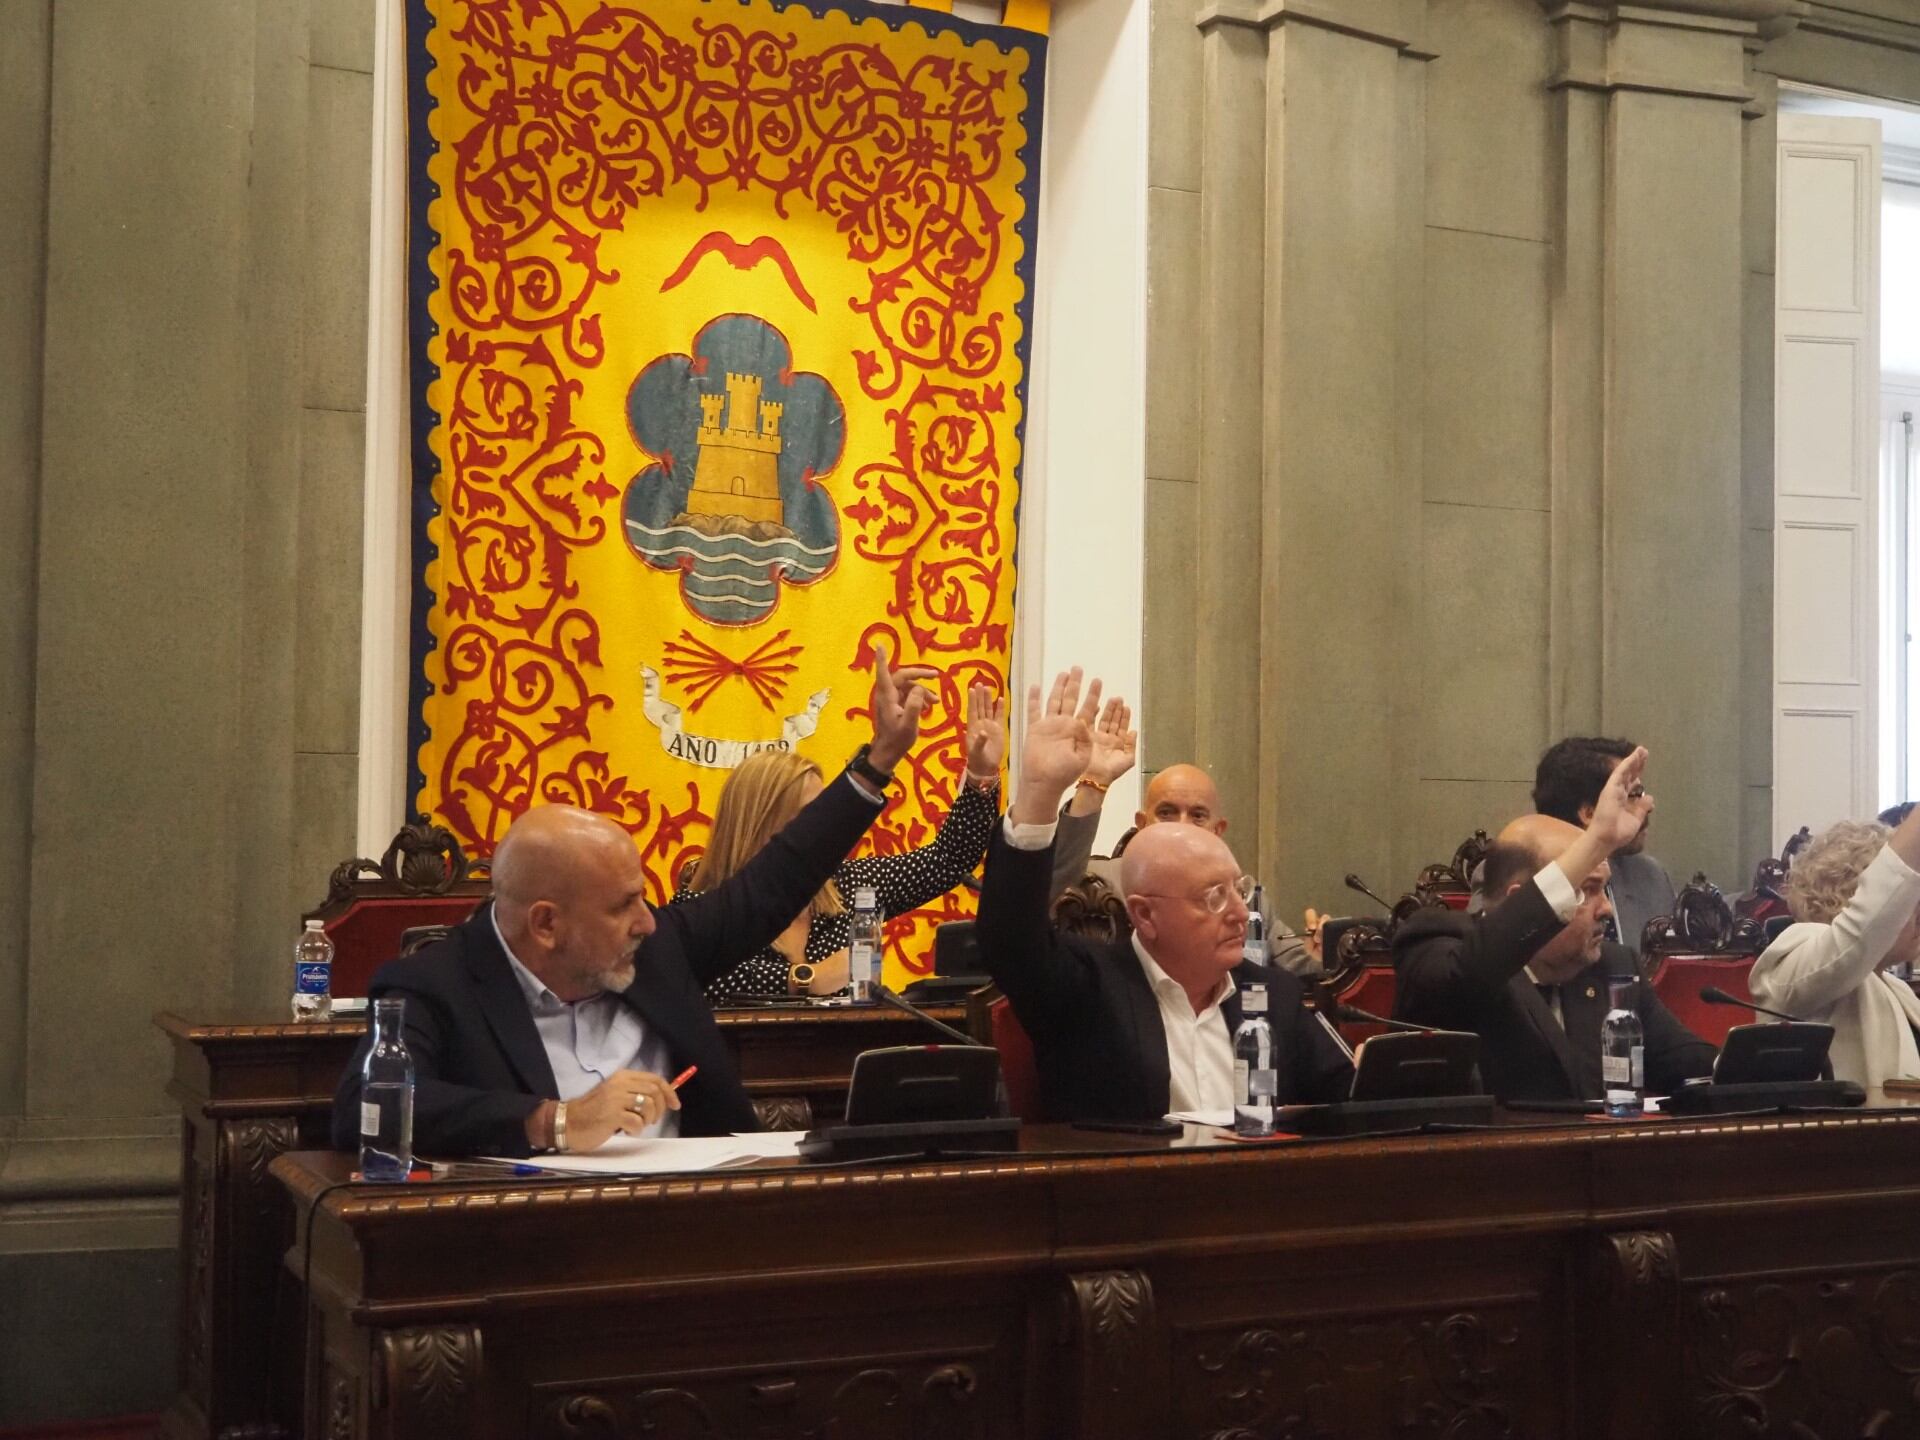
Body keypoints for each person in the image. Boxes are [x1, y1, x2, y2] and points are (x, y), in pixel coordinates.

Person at [330, 645, 936, 1156]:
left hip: (707, 1224)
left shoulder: (660, 949)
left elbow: (780, 876)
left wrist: (879, 760)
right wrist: (555, 1122)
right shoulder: (438, 987)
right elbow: (363, 1108)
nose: (647, 920)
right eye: (622, 906)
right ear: (546, 925)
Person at [973, 668, 1353, 1122]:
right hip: (1134, 1190)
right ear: (1145, 916)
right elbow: (1011, 937)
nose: (1238, 912)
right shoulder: (1087, 990)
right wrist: (1039, 794)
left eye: (1235, 890)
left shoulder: (1273, 996)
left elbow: (1348, 1104)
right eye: (1213, 897)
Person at [1393, 748, 1717, 1102]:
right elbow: (1477, 969)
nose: (1607, 909)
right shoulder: (1435, 948)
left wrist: (1760, 1062)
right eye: (1589, 890)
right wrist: (1597, 841)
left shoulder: (1613, 967)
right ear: (1522, 900)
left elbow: (1687, 1062)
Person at [678, 684, 1006, 1001]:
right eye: (811, 815)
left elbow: (948, 860)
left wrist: (981, 775)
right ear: (759, 821)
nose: (826, 827)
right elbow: (691, 975)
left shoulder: (851, 886)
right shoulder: (701, 903)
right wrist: (808, 977)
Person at [1053, 755, 1321, 974]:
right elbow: (1050, 882)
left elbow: (1304, 971)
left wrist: (1324, 949)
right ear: (1142, 824)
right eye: (1166, 813)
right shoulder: (1099, 884)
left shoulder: (1247, 901)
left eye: (1197, 815)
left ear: (1218, 830)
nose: (1182, 826)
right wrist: (1093, 786)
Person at [1748, 807, 1920, 1091]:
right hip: (1845, 1135)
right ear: (1854, 900)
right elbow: (1859, 934)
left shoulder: (1897, 989)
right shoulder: (1792, 960)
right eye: (1907, 900)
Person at [1532, 736, 1677, 955]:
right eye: (1634, 795)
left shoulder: (1650, 877)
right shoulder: (1515, 871)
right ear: (1589, 813)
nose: (1648, 806)